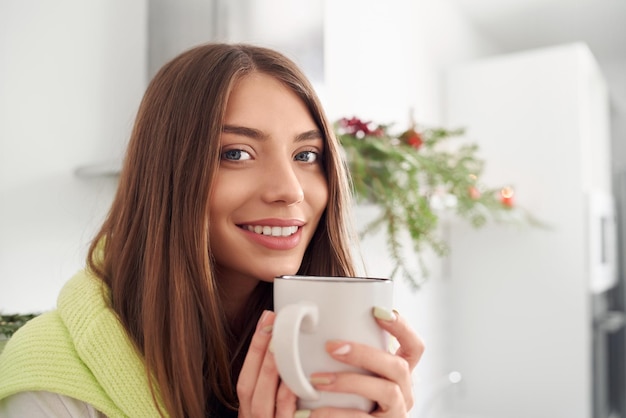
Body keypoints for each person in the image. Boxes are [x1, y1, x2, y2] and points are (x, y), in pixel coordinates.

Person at [0, 43, 424, 417]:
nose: (289, 190)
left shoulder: (324, 356)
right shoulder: (51, 383)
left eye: (307, 154)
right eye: (236, 153)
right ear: (166, 174)